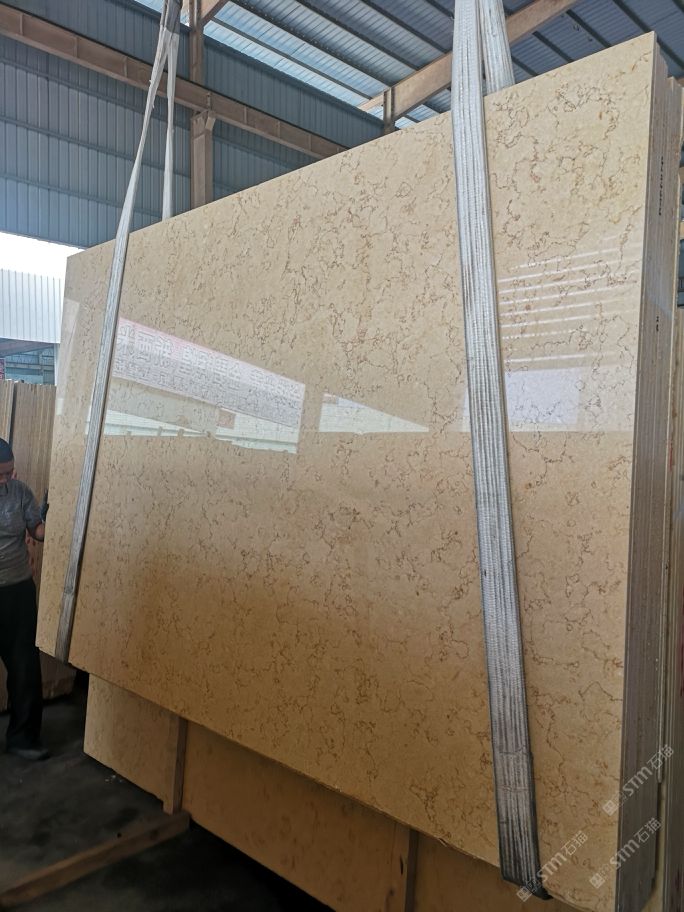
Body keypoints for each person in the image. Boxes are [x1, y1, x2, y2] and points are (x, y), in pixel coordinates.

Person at [0, 436, 49, 761]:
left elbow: (36, 530)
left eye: (10, 473)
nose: (6, 480)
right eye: (0, 474)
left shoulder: (19, 492)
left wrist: (51, 522)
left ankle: (23, 739)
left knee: (24, 667)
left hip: (17, 592)